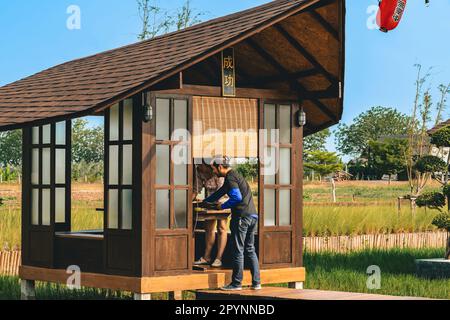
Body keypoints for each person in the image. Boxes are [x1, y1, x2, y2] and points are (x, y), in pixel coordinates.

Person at [201, 156, 261, 291]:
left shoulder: (230, 177)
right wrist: (206, 201)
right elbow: (220, 193)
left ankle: (236, 283)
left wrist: (222, 207)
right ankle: (256, 282)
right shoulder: (235, 176)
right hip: (252, 216)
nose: (214, 172)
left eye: (214, 169)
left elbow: (236, 197)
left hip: (241, 218)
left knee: (238, 249)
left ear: (220, 167)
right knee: (250, 249)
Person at [193, 160, 227, 268]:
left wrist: (216, 204)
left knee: (222, 227)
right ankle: (206, 257)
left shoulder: (217, 170)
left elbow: (223, 190)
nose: (198, 166)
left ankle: (219, 258)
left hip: (222, 200)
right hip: (210, 201)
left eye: (200, 165)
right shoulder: (199, 171)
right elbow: (196, 189)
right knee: (209, 227)